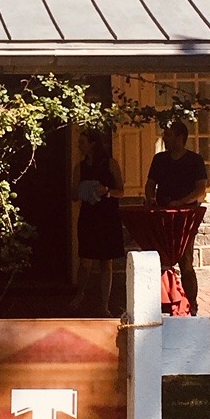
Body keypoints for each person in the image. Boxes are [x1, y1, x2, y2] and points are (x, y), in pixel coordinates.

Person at [145, 119, 209, 317]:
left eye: (169, 135)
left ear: (181, 137)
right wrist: (150, 199)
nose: (165, 138)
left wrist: (181, 202)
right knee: (160, 260)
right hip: (162, 216)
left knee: (185, 261)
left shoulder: (194, 160)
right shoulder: (159, 159)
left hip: (185, 217)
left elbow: (201, 188)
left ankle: (192, 303)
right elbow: (150, 184)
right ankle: (163, 302)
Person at [71, 129, 125, 316]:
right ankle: (80, 294)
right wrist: (85, 190)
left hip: (107, 216)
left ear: (93, 143)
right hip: (89, 216)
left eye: (83, 142)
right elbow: (73, 195)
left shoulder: (110, 164)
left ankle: (104, 305)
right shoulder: (80, 167)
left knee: (105, 261)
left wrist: (106, 191)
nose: (80, 145)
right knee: (85, 261)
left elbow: (121, 190)